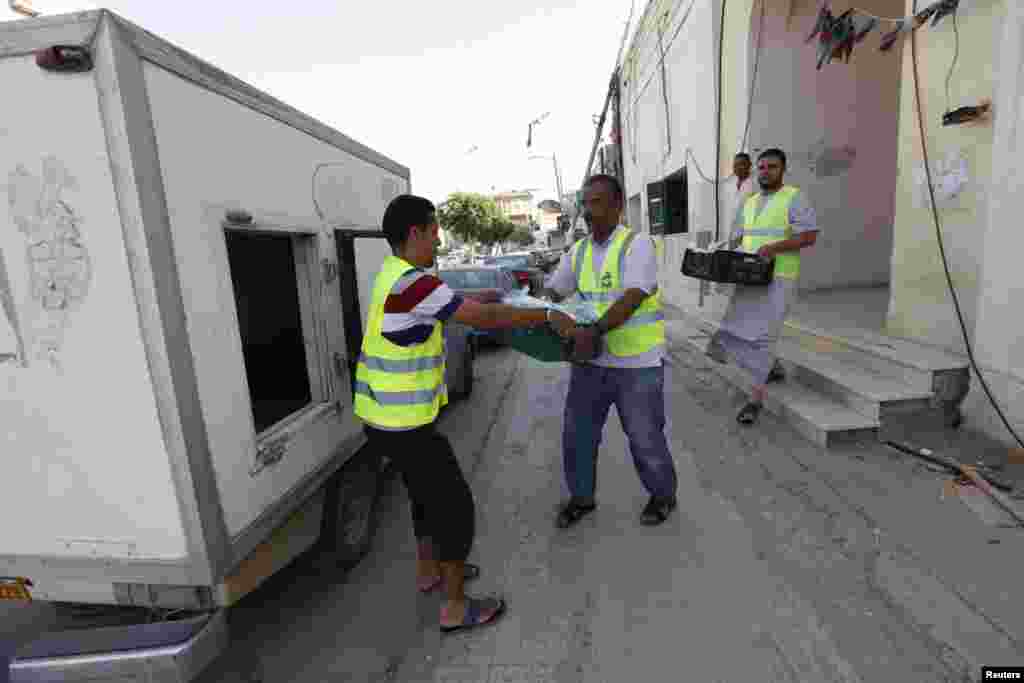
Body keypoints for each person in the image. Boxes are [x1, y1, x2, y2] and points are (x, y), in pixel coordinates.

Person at [354, 194, 576, 635]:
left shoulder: (393, 275)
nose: (439, 239)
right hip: (406, 425)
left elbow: (449, 302)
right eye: (434, 230)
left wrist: (483, 296)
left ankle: (429, 572)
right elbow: (485, 318)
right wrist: (546, 315)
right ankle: (455, 608)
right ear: (415, 232)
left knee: (422, 496)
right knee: (454, 508)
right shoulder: (414, 284)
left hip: (381, 418)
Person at [542, 174, 678, 529]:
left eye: (597, 202)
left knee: (645, 437)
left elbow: (633, 297)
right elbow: (554, 292)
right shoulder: (578, 252)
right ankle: (581, 498)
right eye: (585, 203)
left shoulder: (637, 244)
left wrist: (595, 330)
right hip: (591, 363)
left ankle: (663, 495)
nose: (589, 211)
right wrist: (539, 305)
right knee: (577, 435)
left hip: (637, 363)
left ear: (618, 206)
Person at [707, 148, 820, 425]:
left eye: (772, 167)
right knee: (739, 325)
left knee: (762, 337)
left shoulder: (794, 197)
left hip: (779, 277)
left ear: (783, 170)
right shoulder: (750, 202)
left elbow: (809, 236)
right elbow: (738, 238)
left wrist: (774, 248)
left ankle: (754, 400)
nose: (766, 172)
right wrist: (719, 251)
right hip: (749, 276)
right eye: (762, 167)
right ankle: (773, 367)